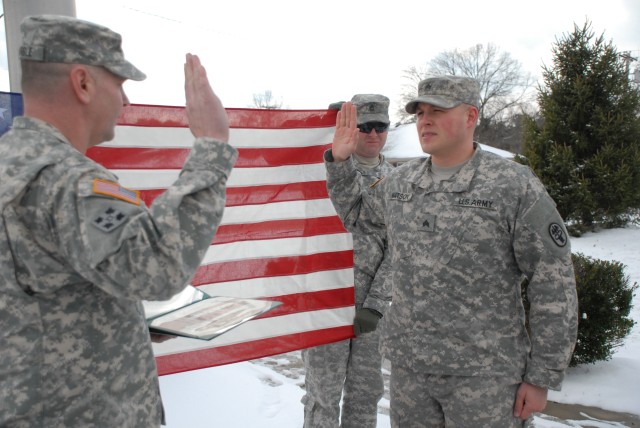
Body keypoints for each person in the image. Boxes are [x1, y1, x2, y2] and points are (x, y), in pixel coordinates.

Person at [0, 15, 237, 427]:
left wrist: (128, 320)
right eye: (120, 83)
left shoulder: (13, 162)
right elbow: (158, 269)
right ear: (83, 83)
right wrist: (212, 145)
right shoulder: (65, 180)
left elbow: (35, 297)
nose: (125, 101)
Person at [324, 76, 579, 427]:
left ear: (471, 116)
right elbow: (357, 215)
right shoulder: (401, 182)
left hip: (485, 376)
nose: (424, 120)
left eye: (437, 111)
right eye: (420, 112)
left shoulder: (512, 185)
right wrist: (339, 162)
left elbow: (553, 284)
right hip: (411, 371)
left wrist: (541, 376)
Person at [301, 94, 394, 427]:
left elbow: (399, 250)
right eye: (363, 126)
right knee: (321, 395)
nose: (372, 134)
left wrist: (375, 305)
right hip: (324, 300)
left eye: (380, 126)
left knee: (364, 395)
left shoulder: (400, 182)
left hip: (371, 308)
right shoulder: (323, 171)